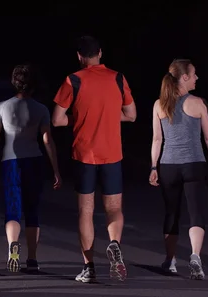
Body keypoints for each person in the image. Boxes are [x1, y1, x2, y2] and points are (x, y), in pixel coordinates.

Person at [51, 36, 137, 283]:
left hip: (84, 155)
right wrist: (109, 115)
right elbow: (131, 115)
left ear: (79, 56)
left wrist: (80, 118)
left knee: (86, 211)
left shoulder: (73, 80)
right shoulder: (118, 78)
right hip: (112, 154)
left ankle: (88, 267)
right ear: (100, 52)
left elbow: (57, 120)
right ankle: (113, 243)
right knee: (114, 208)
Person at [149, 59, 208, 280]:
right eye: (194, 74)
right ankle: (195, 257)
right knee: (195, 212)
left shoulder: (159, 105)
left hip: (168, 166)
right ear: (184, 77)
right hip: (194, 164)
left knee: (172, 212)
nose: (197, 78)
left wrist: (154, 166)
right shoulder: (198, 103)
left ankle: (170, 261)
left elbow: (157, 139)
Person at [0, 64, 62, 272]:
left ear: (14, 83)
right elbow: (47, 140)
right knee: (32, 211)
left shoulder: (2, 107)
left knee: (13, 209)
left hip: (10, 161)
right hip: (34, 160)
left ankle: (13, 246)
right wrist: (56, 169)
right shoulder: (41, 109)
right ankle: (33, 259)